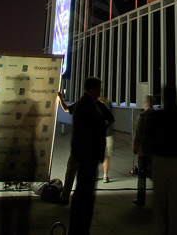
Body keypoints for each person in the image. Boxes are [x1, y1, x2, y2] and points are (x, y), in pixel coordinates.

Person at [68, 77, 114, 235]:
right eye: (99, 87)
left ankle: (78, 227)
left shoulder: (86, 104)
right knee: (84, 195)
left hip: (86, 155)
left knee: (82, 192)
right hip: (87, 156)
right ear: (93, 89)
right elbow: (89, 129)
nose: (100, 91)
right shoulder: (87, 105)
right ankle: (80, 229)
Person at [149, 85, 177, 235]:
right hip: (176, 160)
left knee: (159, 202)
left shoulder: (157, 116)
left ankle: (161, 231)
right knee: (176, 202)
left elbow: (151, 136)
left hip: (160, 159)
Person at [132, 94, 157, 206]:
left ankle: (141, 198)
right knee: (155, 174)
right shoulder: (158, 116)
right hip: (155, 150)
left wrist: (135, 147)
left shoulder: (142, 116)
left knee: (141, 174)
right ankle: (158, 198)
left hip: (143, 149)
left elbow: (138, 133)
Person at [98, 96, 115, 182]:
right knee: (106, 156)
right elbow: (111, 119)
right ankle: (105, 176)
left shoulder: (94, 104)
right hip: (108, 134)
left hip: (97, 135)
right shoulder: (108, 104)